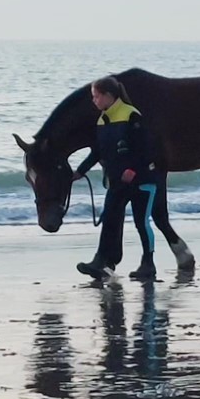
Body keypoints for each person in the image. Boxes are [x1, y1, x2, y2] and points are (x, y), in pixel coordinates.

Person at [75, 77, 162, 282]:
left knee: (142, 222)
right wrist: (80, 171)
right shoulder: (102, 120)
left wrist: (133, 169)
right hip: (116, 182)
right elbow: (98, 152)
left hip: (141, 181)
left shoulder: (131, 115)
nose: (94, 101)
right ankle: (100, 261)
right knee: (110, 220)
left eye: (96, 96)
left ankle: (148, 263)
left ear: (108, 96)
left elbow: (147, 149)